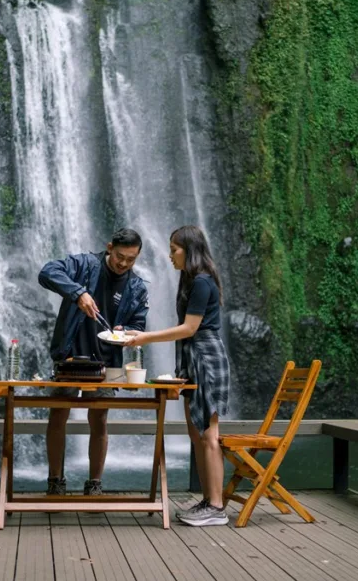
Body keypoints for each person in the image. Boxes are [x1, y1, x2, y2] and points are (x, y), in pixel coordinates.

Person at [124, 225, 230, 526]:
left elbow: (189, 329)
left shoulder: (202, 283)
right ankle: (209, 501)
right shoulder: (193, 281)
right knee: (196, 434)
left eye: (174, 249)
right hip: (193, 359)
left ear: (190, 250)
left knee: (209, 435)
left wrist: (143, 338)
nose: (170, 255)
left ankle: (217, 507)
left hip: (206, 360)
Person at [38, 228, 149, 496]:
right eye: (120, 256)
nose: (124, 264)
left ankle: (95, 484)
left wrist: (126, 332)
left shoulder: (137, 287)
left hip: (107, 361)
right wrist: (78, 293)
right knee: (58, 414)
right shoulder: (85, 265)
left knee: (99, 418)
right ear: (109, 247)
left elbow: (138, 325)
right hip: (70, 355)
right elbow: (47, 272)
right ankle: (55, 481)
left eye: (131, 259)